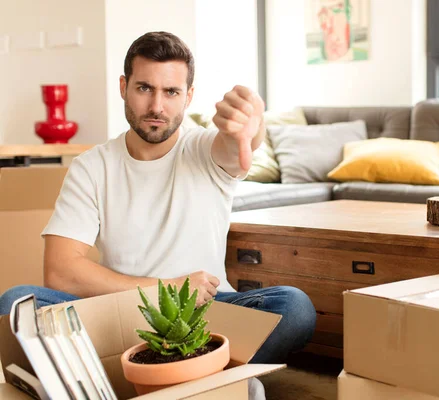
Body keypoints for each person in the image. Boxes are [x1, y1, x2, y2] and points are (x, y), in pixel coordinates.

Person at [0, 32, 316, 368]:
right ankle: (206, 374)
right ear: (124, 87)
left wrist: (251, 126)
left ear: (188, 96)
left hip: (205, 315)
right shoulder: (92, 167)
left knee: (294, 307)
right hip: (120, 314)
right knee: (15, 303)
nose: (156, 107)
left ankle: (145, 374)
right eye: (144, 88)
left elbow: (238, 148)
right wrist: (168, 289)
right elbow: (61, 272)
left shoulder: (204, 150)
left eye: (171, 92)